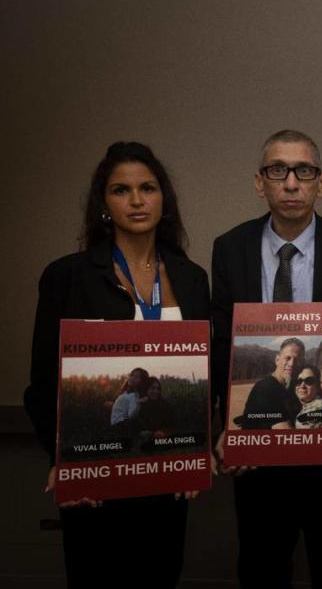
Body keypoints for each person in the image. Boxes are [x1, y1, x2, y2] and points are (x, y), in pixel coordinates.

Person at [211, 129, 322, 589]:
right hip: (260, 459)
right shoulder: (230, 248)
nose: (291, 182)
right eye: (278, 170)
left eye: (304, 171)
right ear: (260, 182)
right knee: (261, 569)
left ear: (321, 182)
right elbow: (221, 346)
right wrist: (228, 429)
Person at [23, 141, 210, 587]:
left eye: (147, 188)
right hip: (94, 476)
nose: (137, 200)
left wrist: (194, 451)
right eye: (120, 190)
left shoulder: (192, 278)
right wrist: (63, 460)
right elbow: (44, 380)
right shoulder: (67, 275)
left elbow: (207, 370)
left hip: (168, 474)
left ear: (164, 198)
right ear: (103, 204)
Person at [233, 337, 304, 430]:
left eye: (297, 360)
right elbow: (285, 432)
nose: (292, 364)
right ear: (277, 359)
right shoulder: (265, 389)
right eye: (287, 358)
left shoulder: (290, 388)